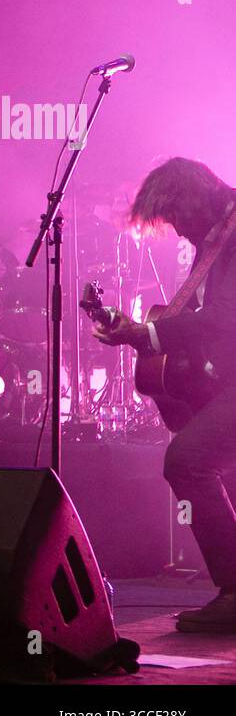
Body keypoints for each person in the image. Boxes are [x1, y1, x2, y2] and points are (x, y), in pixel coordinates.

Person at [93, 157, 236, 632]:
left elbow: (221, 319)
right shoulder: (214, 239)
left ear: (193, 202)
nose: (174, 229)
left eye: (175, 216)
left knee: (187, 462)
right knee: (222, 471)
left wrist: (147, 335)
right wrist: (138, 331)